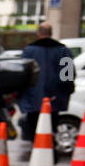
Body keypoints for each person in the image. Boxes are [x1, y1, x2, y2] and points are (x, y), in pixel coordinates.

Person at [19, 21, 74, 149]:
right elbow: (68, 75)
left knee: (34, 129)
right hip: (55, 99)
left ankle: (37, 153)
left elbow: (22, 74)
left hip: (33, 99)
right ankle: (50, 152)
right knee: (51, 127)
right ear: (51, 34)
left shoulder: (29, 51)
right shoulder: (63, 50)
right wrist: (65, 91)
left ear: (38, 34)